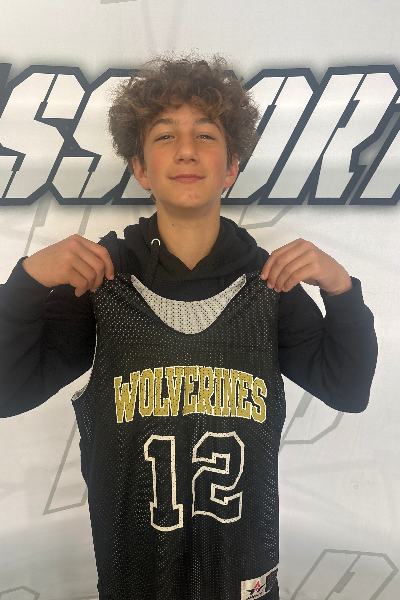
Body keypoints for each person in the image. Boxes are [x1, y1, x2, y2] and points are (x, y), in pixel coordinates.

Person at [0, 56, 377, 600]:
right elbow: (8, 391)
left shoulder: (268, 283)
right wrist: (25, 285)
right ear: (140, 168)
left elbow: (348, 388)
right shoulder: (104, 278)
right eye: (164, 135)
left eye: (205, 134)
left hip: (243, 580)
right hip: (136, 581)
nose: (186, 150)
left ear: (231, 167)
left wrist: (342, 291)